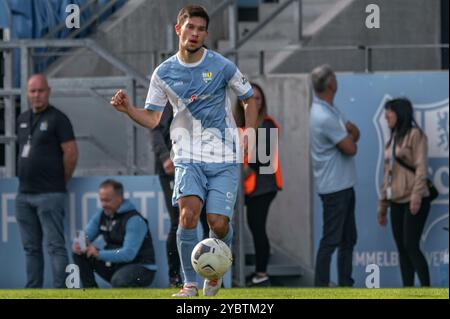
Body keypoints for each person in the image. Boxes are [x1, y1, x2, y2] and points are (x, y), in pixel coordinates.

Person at [110, 5, 258, 297]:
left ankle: (215, 270)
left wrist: (250, 133)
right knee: (188, 216)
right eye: (190, 27)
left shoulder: (222, 66)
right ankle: (189, 284)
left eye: (201, 29)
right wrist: (128, 109)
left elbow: (249, 99)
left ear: (205, 33)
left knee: (217, 223)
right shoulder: (163, 73)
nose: (195, 33)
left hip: (224, 157)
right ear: (178, 30)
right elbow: (153, 118)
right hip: (188, 157)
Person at [15, 74, 78, 288]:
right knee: (30, 247)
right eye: (32, 91)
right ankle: (33, 289)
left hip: (50, 193)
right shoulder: (22, 118)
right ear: (27, 93)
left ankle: (60, 289)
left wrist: (61, 181)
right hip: (24, 193)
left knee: (55, 245)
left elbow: (71, 153)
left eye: (41, 90)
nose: (37, 95)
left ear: (48, 92)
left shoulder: (59, 119)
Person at [309, 65, 359, 287]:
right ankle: (321, 286)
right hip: (334, 188)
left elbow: (354, 132)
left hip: (342, 185)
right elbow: (351, 147)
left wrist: (349, 135)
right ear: (330, 84)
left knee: (348, 239)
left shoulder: (330, 109)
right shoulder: (323, 115)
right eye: (335, 77)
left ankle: (345, 284)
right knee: (331, 240)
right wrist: (349, 136)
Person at [150, 102, 210, 288]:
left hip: (203, 166)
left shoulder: (205, 96)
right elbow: (154, 129)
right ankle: (175, 277)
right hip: (174, 168)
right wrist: (164, 157)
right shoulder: (166, 99)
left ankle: (213, 275)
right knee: (180, 220)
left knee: (210, 220)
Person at [377, 98, 431, 287]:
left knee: (411, 246)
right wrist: (382, 206)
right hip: (396, 201)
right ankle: (407, 290)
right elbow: (387, 175)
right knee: (401, 248)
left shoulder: (416, 135)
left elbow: (422, 168)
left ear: (399, 113)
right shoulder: (391, 140)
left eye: (389, 112)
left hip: (414, 200)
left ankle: (426, 290)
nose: (386, 116)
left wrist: (416, 196)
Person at [233, 83, 283, 287]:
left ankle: (261, 273)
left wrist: (243, 171)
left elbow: (263, 157)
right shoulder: (236, 125)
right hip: (242, 186)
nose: (254, 102)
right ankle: (230, 273)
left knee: (257, 227)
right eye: (249, 98)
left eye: (258, 99)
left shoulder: (267, 123)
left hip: (262, 187)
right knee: (230, 228)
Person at [72, 179, 157, 288]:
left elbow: (128, 254)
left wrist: (98, 253)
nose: (103, 204)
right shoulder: (101, 215)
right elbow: (86, 235)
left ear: (119, 198)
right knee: (80, 253)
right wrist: (79, 244)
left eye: (107, 200)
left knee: (119, 280)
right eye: (101, 200)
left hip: (141, 267)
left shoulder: (134, 219)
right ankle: (90, 291)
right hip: (117, 266)